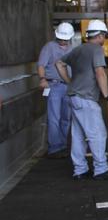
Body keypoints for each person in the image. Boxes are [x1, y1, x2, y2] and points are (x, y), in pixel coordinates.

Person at [55, 19, 108, 179]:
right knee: (97, 133)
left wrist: (70, 82)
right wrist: (107, 95)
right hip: (86, 98)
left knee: (78, 135)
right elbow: (100, 72)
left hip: (74, 97)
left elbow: (59, 63)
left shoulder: (78, 50)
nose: (104, 39)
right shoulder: (97, 50)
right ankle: (101, 169)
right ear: (101, 35)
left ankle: (80, 169)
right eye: (104, 35)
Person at [37, 22, 75, 158]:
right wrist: (42, 79)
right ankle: (54, 148)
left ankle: (63, 145)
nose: (63, 41)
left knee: (66, 117)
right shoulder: (49, 47)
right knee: (54, 117)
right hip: (53, 86)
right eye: (61, 39)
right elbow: (41, 64)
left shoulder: (72, 48)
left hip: (68, 86)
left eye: (66, 39)